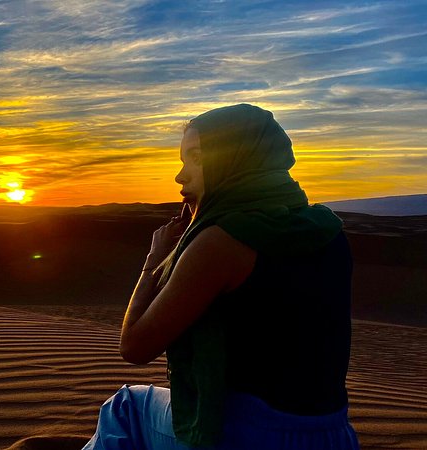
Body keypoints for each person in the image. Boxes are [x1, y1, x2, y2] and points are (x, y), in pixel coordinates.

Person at [82, 104, 360, 449]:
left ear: (234, 161)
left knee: (126, 405)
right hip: (332, 435)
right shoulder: (327, 229)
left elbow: (134, 346)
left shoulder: (223, 241)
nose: (180, 176)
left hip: (251, 436)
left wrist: (153, 261)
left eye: (195, 157)